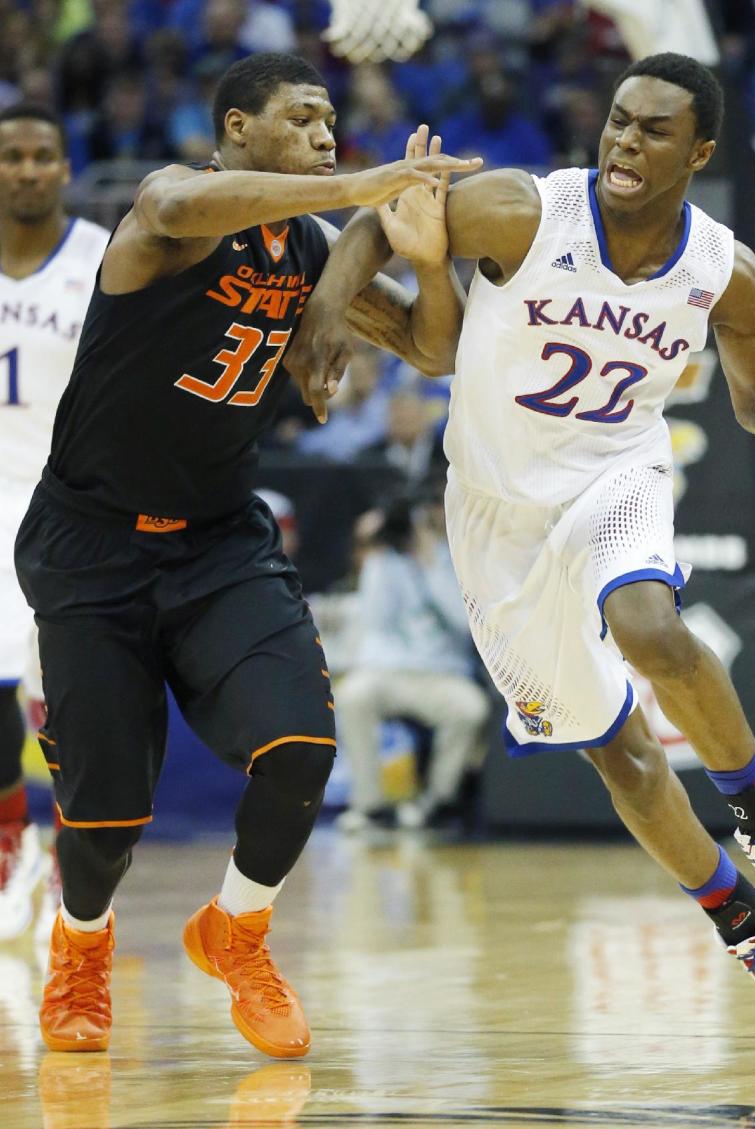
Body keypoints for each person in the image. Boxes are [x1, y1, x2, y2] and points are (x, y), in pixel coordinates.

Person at [306, 52, 755, 1050]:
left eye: (652, 129)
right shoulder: (521, 209)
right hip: (495, 515)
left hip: (619, 472)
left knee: (648, 624)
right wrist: (322, 312)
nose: (625, 143)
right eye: (618, 121)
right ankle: (753, 932)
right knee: (624, 755)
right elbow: (374, 227)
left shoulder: (725, 272)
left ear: (702, 150)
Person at [14, 51, 480, 1058]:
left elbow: (434, 351)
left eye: (330, 121)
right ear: (235, 129)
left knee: (303, 748)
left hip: (219, 539)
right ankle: (81, 944)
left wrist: (425, 251)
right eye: (301, 116)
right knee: (105, 821)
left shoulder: (310, 249)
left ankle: (238, 930)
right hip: (90, 544)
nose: (323, 132)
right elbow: (183, 209)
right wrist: (364, 186)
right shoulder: (166, 207)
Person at [0, 104, 110, 945]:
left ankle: (74, 879)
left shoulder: (100, 259)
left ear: (66, 167)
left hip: (74, 507)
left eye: (43, 155)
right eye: (13, 157)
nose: (28, 170)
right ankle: (13, 843)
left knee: (70, 704)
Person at [335, 492, 489, 833]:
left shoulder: (456, 559)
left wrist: (431, 560)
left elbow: (463, 623)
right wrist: (377, 561)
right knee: (353, 696)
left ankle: (436, 801)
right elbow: (376, 618)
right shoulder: (382, 562)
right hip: (387, 672)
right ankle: (369, 805)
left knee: (470, 709)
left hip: (440, 675)